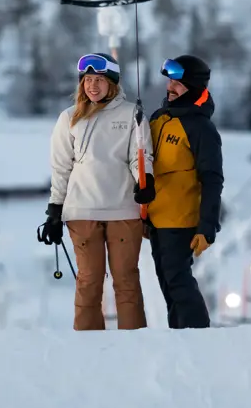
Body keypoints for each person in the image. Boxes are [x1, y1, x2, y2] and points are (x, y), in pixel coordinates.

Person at [41, 52, 154, 331]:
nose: (92, 85)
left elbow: (139, 157)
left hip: (123, 210)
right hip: (82, 211)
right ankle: (87, 347)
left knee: (126, 280)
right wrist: (55, 210)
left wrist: (145, 181)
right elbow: (61, 167)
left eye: (99, 80)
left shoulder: (132, 114)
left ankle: (134, 342)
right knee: (89, 280)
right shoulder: (69, 118)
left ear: (112, 83)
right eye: (87, 80)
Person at [138, 54, 223, 329]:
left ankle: (199, 338)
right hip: (155, 219)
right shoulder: (159, 118)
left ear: (194, 87)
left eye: (177, 83)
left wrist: (206, 226)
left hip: (181, 221)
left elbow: (212, 180)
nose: (169, 87)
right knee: (167, 283)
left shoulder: (201, 129)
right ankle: (179, 337)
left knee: (178, 281)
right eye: (169, 82)